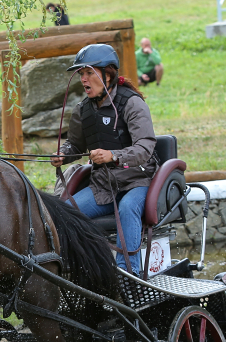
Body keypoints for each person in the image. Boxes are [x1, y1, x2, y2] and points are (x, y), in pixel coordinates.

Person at [51, 44, 157, 275]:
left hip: (137, 182)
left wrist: (113, 156)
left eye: (89, 72)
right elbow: (76, 145)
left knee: (129, 207)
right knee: (64, 214)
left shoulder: (132, 103)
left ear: (108, 74)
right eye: (81, 74)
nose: (84, 79)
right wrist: (63, 154)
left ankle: (129, 276)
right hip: (103, 186)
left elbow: (145, 147)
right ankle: (80, 272)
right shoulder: (82, 110)